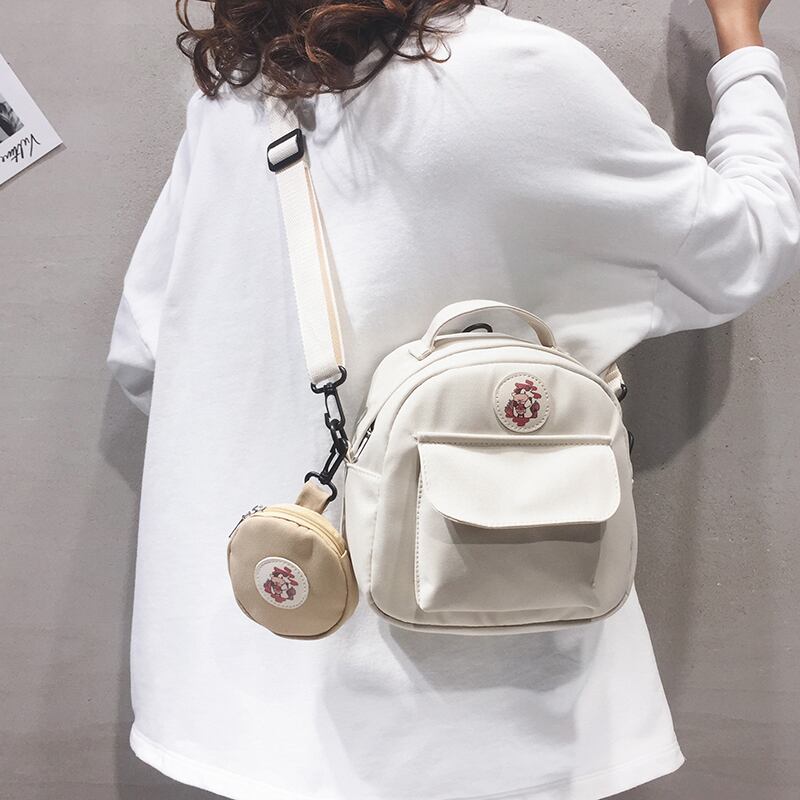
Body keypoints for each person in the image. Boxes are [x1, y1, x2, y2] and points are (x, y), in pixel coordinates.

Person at [106, 0, 799, 798]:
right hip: (475, 705)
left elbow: (143, 351)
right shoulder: (519, 76)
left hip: (242, 680)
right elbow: (749, 242)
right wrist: (741, 43)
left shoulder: (236, 94)